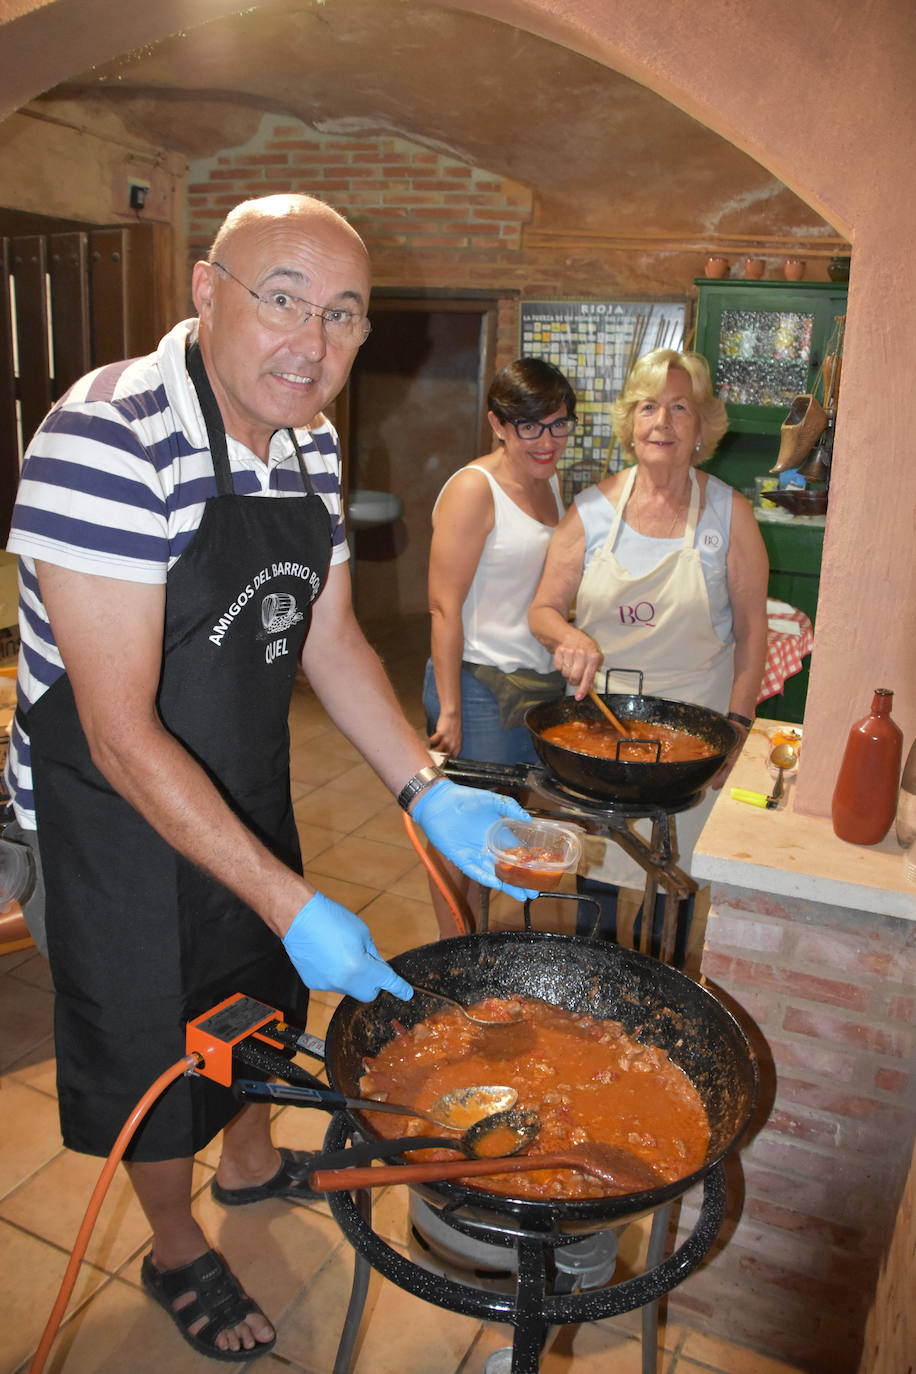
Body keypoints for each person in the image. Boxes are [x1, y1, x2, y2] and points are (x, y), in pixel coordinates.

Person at [3, 193, 533, 1362]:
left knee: (252, 994)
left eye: (343, 317)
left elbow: (331, 637)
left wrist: (422, 787)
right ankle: (175, 1239)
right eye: (283, 300)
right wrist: (291, 898)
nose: (315, 344)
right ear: (207, 291)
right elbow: (120, 733)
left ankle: (247, 1167)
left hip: (235, 778)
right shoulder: (106, 436)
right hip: (108, 816)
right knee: (149, 1041)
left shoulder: (312, 437)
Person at [528, 347, 768, 958]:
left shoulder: (730, 514)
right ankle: (595, 999)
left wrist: (737, 729)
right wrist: (570, 636)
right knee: (600, 890)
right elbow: (543, 611)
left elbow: (752, 633)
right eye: (648, 406)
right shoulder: (591, 511)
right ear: (630, 423)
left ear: (702, 426)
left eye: (679, 408)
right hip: (602, 736)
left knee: (673, 892)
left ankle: (660, 1006)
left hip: (693, 741)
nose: (662, 421)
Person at [423, 358, 574, 932]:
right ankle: (454, 949)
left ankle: (480, 946)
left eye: (558, 425)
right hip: (476, 683)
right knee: (463, 829)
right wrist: (452, 706)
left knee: (507, 830)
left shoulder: (552, 483)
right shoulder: (473, 488)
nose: (545, 441)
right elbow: (443, 605)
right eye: (529, 427)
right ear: (498, 425)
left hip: (536, 683)